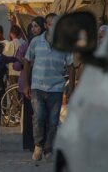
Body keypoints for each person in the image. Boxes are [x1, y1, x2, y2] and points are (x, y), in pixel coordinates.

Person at [24, 14, 75, 161]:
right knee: (39, 117)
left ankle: (48, 148)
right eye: (50, 24)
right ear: (46, 26)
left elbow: (71, 66)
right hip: (38, 87)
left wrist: (71, 87)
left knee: (53, 121)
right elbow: (27, 61)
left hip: (56, 88)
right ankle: (38, 145)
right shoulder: (35, 42)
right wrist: (27, 84)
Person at [14, 18, 43, 152]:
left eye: (36, 26)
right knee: (31, 113)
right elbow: (17, 65)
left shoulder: (47, 43)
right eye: (32, 27)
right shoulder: (27, 45)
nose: (33, 29)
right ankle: (30, 143)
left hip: (43, 82)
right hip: (28, 82)